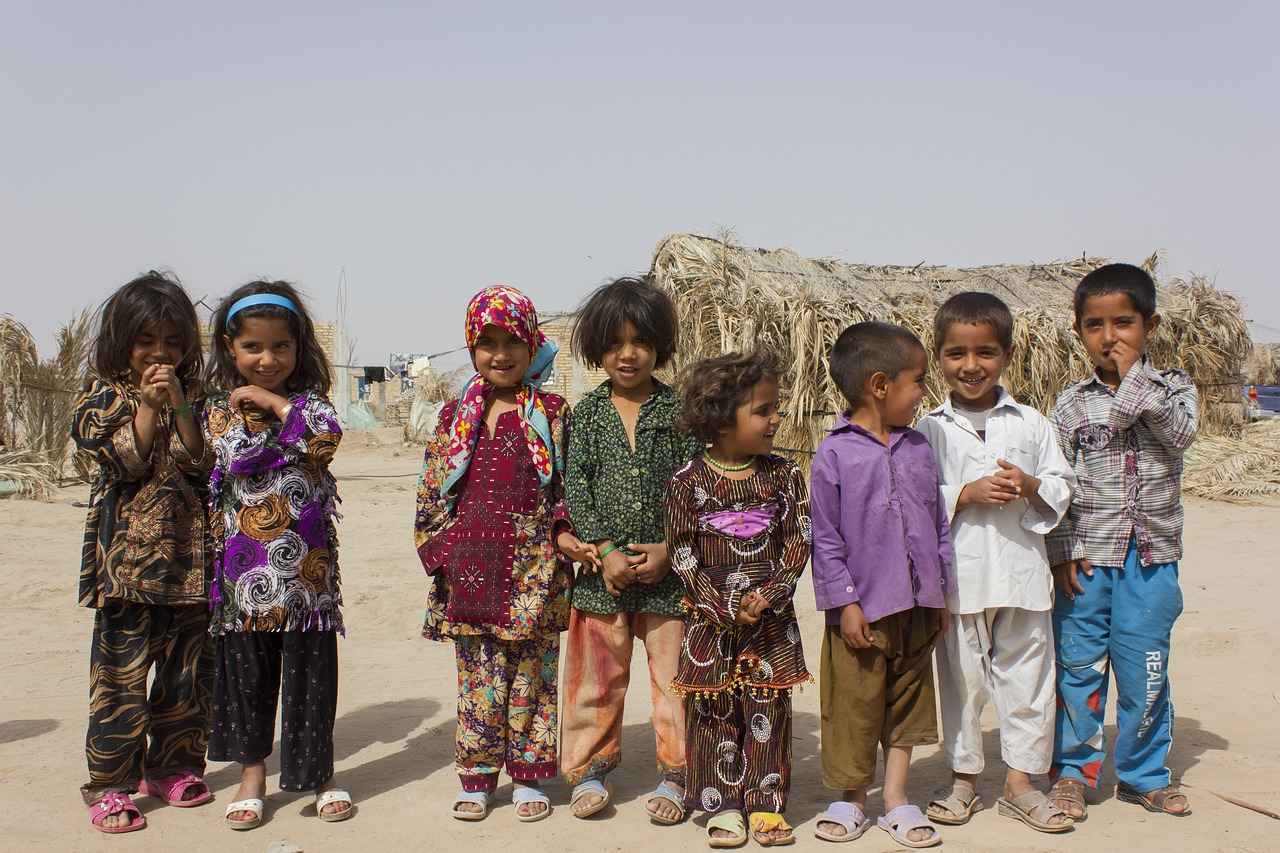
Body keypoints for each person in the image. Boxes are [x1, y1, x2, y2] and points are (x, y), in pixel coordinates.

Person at [415, 285, 595, 823]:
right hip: (469, 567)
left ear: (531, 342)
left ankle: (528, 778)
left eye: (512, 340)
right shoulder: (453, 417)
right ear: (471, 347)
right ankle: (476, 780)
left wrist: (564, 532)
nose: (500, 353)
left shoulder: (556, 413)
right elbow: (431, 490)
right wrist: (442, 550)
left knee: (534, 679)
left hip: (535, 568)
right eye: (486, 341)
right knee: (479, 680)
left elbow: (567, 487)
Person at [915, 293, 1075, 833]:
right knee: (963, 682)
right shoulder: (927, 428)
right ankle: (963, 779)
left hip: (1023, 576)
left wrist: (1030, 485)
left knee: (1028, 678)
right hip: (959, 579)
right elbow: (912, 498)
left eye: (985, 352)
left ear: (1006, 354)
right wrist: (964, 492)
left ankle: (1021, 784)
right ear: (939, 357)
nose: (971, 366)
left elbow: (1061, 486)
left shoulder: (1032, 423)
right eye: (956, 353)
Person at [1045, 263, 1197, 820]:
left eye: (1124, 323)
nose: (1109, 338)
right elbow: (1057, 480)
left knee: (1146, 669)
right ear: (1079, 330)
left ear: (1150, 325)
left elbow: (1178, 437)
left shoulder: (1175, 389)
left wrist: (1137, 382)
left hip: (1152, 561)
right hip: (1087, 559)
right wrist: (1060, 551)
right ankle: (1073, 773)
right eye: (1094, 325)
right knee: (1079, 669)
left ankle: (1143, 775)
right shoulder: (1070, 403)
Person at [203, 280, 353, 830]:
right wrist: (276, 422)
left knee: (312, 681)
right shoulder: (219, 411)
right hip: (244, 583)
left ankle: (320, 776)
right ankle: (251, 777)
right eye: (253, 348)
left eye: (280, 347)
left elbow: (324, 438)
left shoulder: (311, 405)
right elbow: (234, 456)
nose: (267, 360)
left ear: (299, 347)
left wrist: (274, 405)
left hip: (308, 584)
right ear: (229, 348)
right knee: (249, 681)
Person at [72, 271, 215, 834]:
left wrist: (179, 405)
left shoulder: (198, 398)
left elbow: (200, 462)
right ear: (121, 342)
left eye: (173, 343)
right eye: (147, 342)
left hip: (192, 568)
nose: (161, 354)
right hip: (124, 571)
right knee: (120, 682)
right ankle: (109, 784)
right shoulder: (99, 396)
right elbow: (126, 460)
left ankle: (172, 767)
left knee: (186, 679)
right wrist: (150, 407)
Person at [560, 277, 702, 822]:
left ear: (659, 345)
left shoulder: (680, 411)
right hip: (602, 575)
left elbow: (694, 484)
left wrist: (670, 545)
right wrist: (605, 547)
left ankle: (677, 774)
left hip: (670, 576)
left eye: (640, 341)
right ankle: (588, 770)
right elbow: (578, 486)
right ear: (598, 346)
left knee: (676, 684)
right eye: (616, 342)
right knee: (596, 682)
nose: (628, 354)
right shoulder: (589, 414)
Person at [809, 322, 955, 849]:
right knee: (856, 704)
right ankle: (852, 799)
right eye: (917, 381)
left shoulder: (918, 447)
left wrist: (941, 592)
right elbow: (824, 539)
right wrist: (845, 604)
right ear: (879, 385)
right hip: (862, 611)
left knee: (909, 703)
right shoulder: (834, 454)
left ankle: (897, 798)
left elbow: (938, 523)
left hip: (917, 603)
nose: (923, 394)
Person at [665, 351, 812, 848]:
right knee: (712, 716)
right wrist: (724, 605)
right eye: (764, 410)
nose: (776, 419)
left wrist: (769, 595)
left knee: (769, 713)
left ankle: (766, 806)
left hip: (770, 627)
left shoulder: (786, 476)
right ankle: (721, 805)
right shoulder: (685, 483)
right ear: (723, 416)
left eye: (776, 408)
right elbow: (683, 554)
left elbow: (798, 541)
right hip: (709, 629)